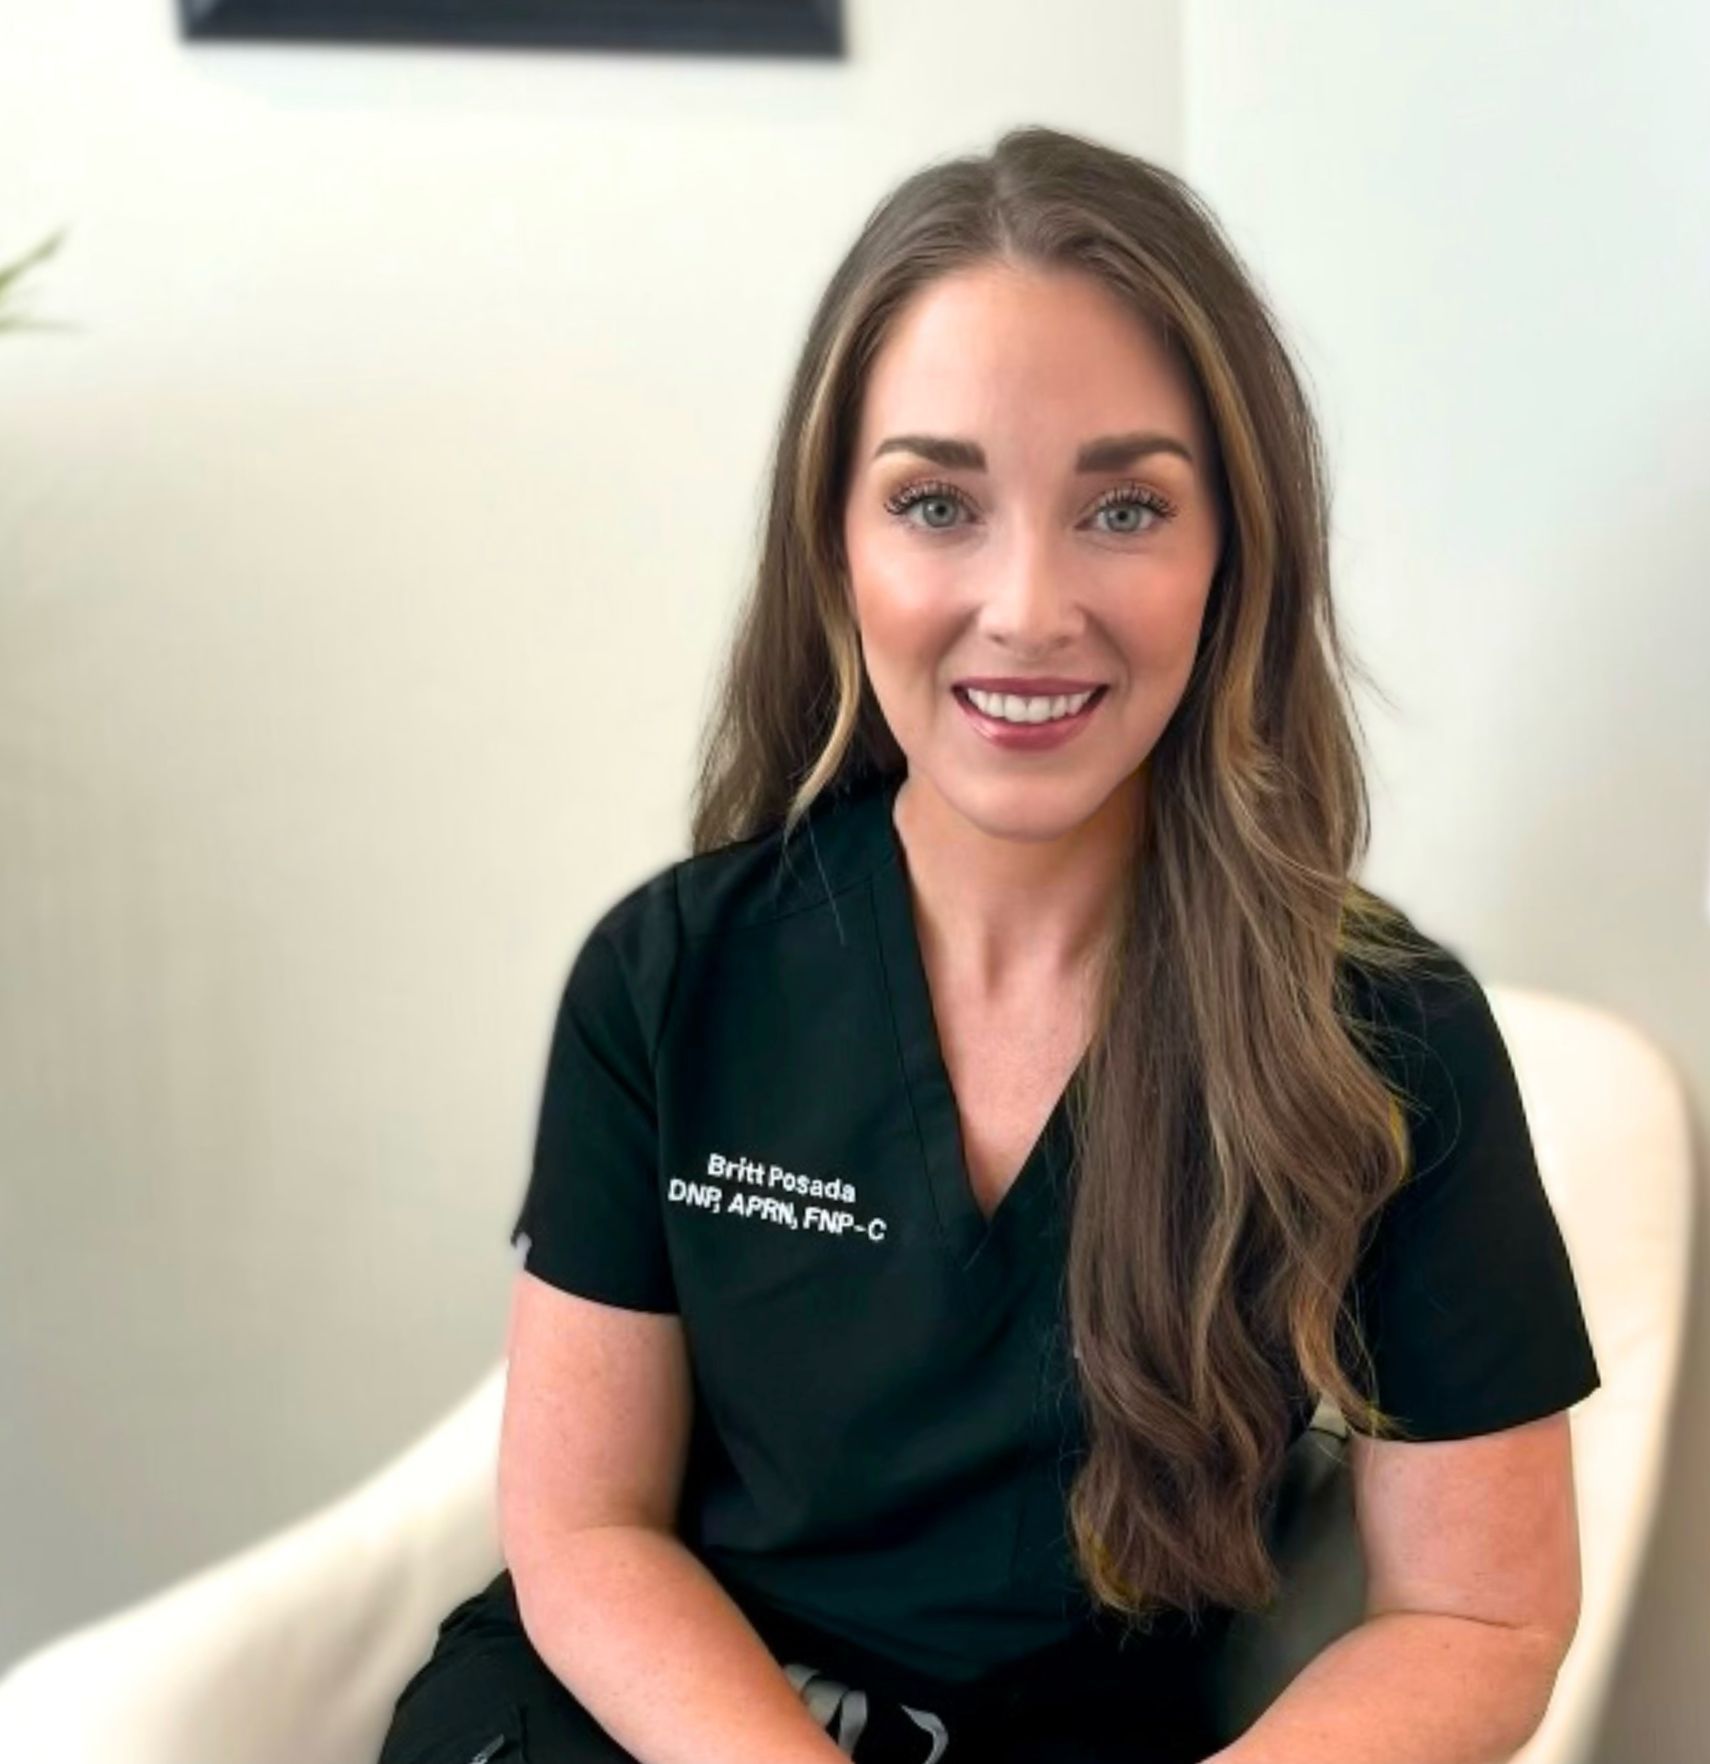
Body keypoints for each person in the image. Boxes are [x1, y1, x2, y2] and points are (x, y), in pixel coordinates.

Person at [376, 122, 1601, 1764]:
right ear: (839, 547)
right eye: (939, 501)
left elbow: (1481, 1616)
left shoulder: (1385, 1042)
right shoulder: (668, 979)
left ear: (1234, 552)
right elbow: (586, 1531)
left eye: (1124, 509)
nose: (1026, 605)